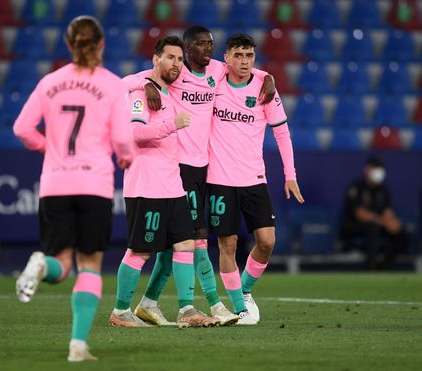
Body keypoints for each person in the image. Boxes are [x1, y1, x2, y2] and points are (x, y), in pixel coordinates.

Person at [124, 25, 276, 327]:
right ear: (187, 48)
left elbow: (248, 69)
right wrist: (147, 85)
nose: (207, 48)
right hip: (179, 167)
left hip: (202, 168)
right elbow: (128, 81)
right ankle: (220, 305)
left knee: (174, 247)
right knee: (195, 239)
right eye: (201, 44)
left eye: (210, 44)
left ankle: (149, 303)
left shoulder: (217, 70)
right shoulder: (177, 73)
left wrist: (267, 77)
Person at [13, 16, 134, 362]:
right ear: (101, 45)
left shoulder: (50, 82)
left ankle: (40, 266)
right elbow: (124, 140)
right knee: (89, 265)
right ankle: (78, 346)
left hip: (56, 183)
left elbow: (22, 127)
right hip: (93, 183)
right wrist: (125, 158)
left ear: (68, 45)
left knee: (61, 265)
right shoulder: (112, 86)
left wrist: (45, 146)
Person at [109, 35, 220, 329]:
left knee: (185, 244)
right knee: (140, 251)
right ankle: (120, 311)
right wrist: (172, 123)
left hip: (172, 186)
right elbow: (135, 133)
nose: (176, 63)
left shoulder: (168, 94)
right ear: (155, 59)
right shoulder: (142, 94)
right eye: (170, 57)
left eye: (180, 59)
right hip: (146, 186)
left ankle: (187, 310)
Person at [207, 33, 305, 324]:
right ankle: (239, 308)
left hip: (254, 178)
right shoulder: (215, 79)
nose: (244, 61)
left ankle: (245, 291)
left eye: (249, 56)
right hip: (220, 178)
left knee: (266, 242)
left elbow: (282, 132)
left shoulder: (264, 87)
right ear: (226, 58)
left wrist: (290, 175)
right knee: (228, 244)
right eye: (238, 55)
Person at [340, 156, 411, 269]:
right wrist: (381, 221)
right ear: (367, 169)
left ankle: (383, 264)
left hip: (378, 224)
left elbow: (388, 211)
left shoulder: (383, 189)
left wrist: (392, 223)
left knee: (402, 233)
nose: (379, 172)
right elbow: (359, 213)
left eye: (380, 168)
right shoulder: (357, 187)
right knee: (372, 227)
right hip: (354, 226)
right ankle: (371, 266)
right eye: (376, 168)